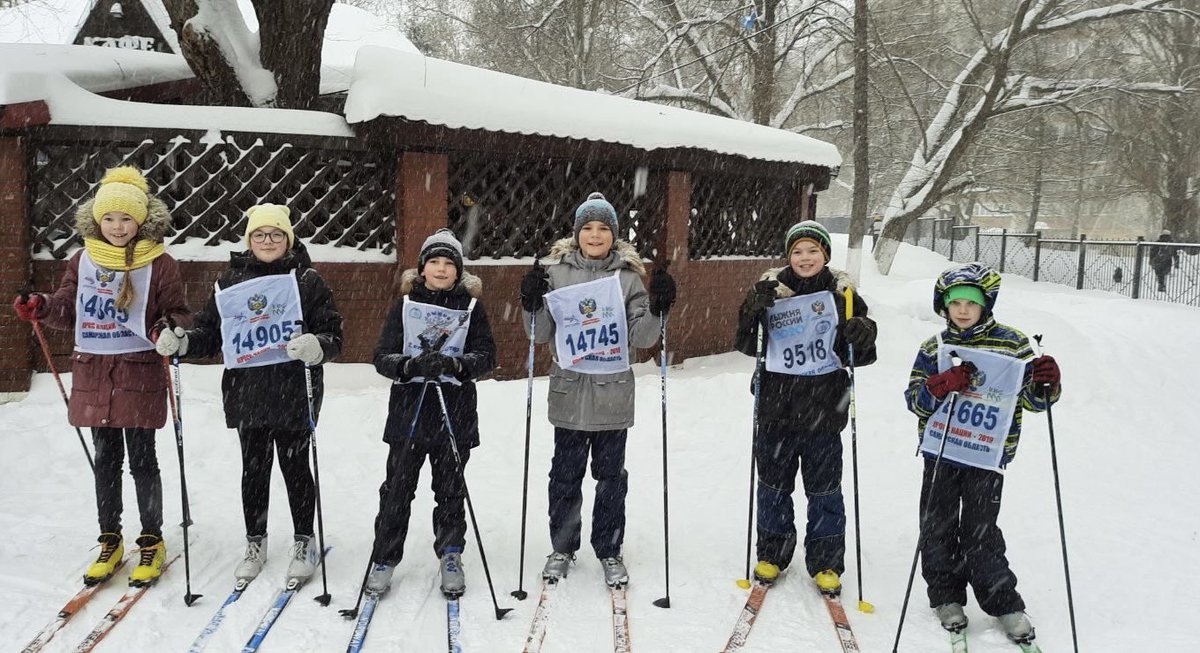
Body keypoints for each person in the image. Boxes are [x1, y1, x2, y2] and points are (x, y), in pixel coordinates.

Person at [12, 166, 188, 586]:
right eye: (109, 218)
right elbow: (67, 306)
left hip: (139, 371)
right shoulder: (82, 259)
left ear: (141, 220)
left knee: (143, 460)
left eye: (126, 218)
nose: (117, 226)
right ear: (96, 220)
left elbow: (178, 313)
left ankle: (152, 539)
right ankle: (110, 538)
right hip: (94, 371)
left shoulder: (160, 264)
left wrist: (168, 330)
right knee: (106, 461)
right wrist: (41, 306)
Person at [155, 204, 342, 585]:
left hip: (293, 389)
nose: (267, 241)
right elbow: (210, 333)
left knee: (295, 468)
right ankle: (255, 541)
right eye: (259, 235)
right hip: (248, 391)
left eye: (276, 234)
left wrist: (318, 344)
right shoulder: (229, 282)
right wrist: (183, 342)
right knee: (254, 471)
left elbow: (334, 334)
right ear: (249, 240)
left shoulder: (307, 280)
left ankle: (304, 540)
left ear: (287, 239)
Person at [519, 192, 676, 587]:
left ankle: (609, 548)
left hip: (611, 395)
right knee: (565, 476)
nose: (594, 234)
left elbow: (641, 336)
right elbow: (540, 335)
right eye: (587, 228)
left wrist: (658, 307)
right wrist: (531, 301)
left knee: (610, 478)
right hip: (570, 393)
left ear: (614, 235)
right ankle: (562, 546)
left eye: (603, 228)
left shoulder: (627, 279)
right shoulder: (555, 274)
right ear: (576, 234)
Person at [903, 262, 1062, 644]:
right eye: (954, 302)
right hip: (942, 451)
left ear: (986, 304)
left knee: (981, 531)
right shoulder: (934, 347)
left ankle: (1002, 601)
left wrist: (1046, 384)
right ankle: (946, 596)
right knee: (937, 526)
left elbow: (1033, 402)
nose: (961, 310)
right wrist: (939, 385)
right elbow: (914, 401)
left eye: (971, 303)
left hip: (986, 456)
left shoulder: (1013, 343)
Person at [733, 220, 878, 595]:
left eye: (813, 250)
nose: (805, 258)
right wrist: (752, 309)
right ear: (787, 256)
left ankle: (826, 560)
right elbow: (748, 345)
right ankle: (772, 553)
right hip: (776, 408)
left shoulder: (842, 294)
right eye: (797, 251)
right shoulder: (770, 290)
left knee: (825, 489)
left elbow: (859, 356)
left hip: (824, 409)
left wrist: (863, 332)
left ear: (826, 255)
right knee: (773, 486)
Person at [363, 229, 496, 597]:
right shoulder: (405, 306)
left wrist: (456, 365)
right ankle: (384, 557)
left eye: (448, 264)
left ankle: (451, 553)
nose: (440, 269)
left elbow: (486, 356)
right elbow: (382, 357)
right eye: (433, 262)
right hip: (409, 413)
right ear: (422, 270)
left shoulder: (470, 307)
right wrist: (409, 365)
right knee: (397, 489)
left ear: (458, 271)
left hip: (454, 413)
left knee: (451, 489)